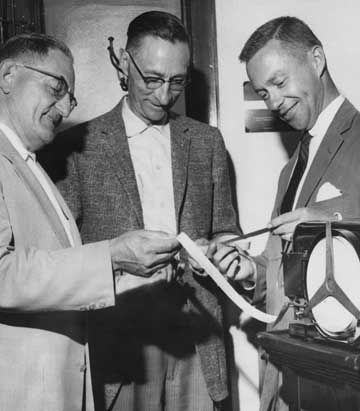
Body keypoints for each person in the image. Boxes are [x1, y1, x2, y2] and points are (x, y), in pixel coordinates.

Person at [53, 10, 240, 411]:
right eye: (152, 79)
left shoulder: (206, 142)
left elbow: (227, 228)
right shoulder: (77, 147)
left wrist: (223, 252)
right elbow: (59, 259)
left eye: (176, 81)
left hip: (196, 338)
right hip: (119, 347)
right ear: (124, 60)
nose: (163, 95)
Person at [0, 32, 180, 411]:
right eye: (56, 87)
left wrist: (125, 274)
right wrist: (111, 256)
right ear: (8, 76)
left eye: (71, 96)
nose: (65, 108)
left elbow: (53, 270)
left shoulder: (31, 163)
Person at [211, 16, 360, 411]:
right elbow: (285, 270)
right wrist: (250, 272)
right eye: (262, 92)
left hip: (343, 384)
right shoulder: (291, 167)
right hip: (287, 382)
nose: (273, 102)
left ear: (317, 60)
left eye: (279, 83)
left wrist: (330, 214)